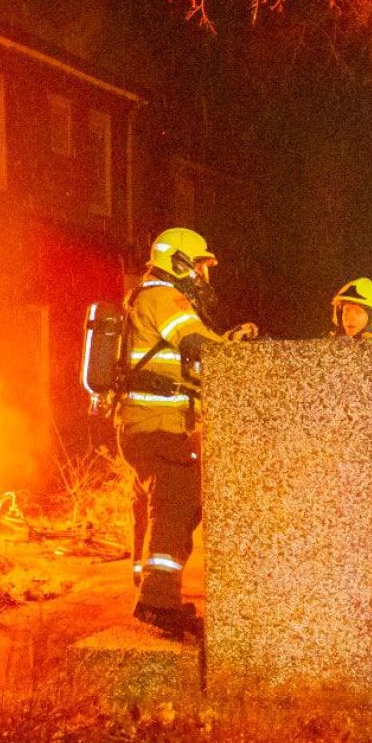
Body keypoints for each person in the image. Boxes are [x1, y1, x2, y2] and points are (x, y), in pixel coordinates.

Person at [118, 227, 257, 640]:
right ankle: (157, 603)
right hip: (157, 426)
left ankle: (151, 589)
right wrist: (238, 353)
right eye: (199, 265)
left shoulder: (148, 296)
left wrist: (227, 341)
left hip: (144, 426)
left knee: (160, 503)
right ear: (179, 262)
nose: (203, 275)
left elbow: (191, 360)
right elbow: (201, 348)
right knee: (179, 499)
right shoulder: (166, 297)